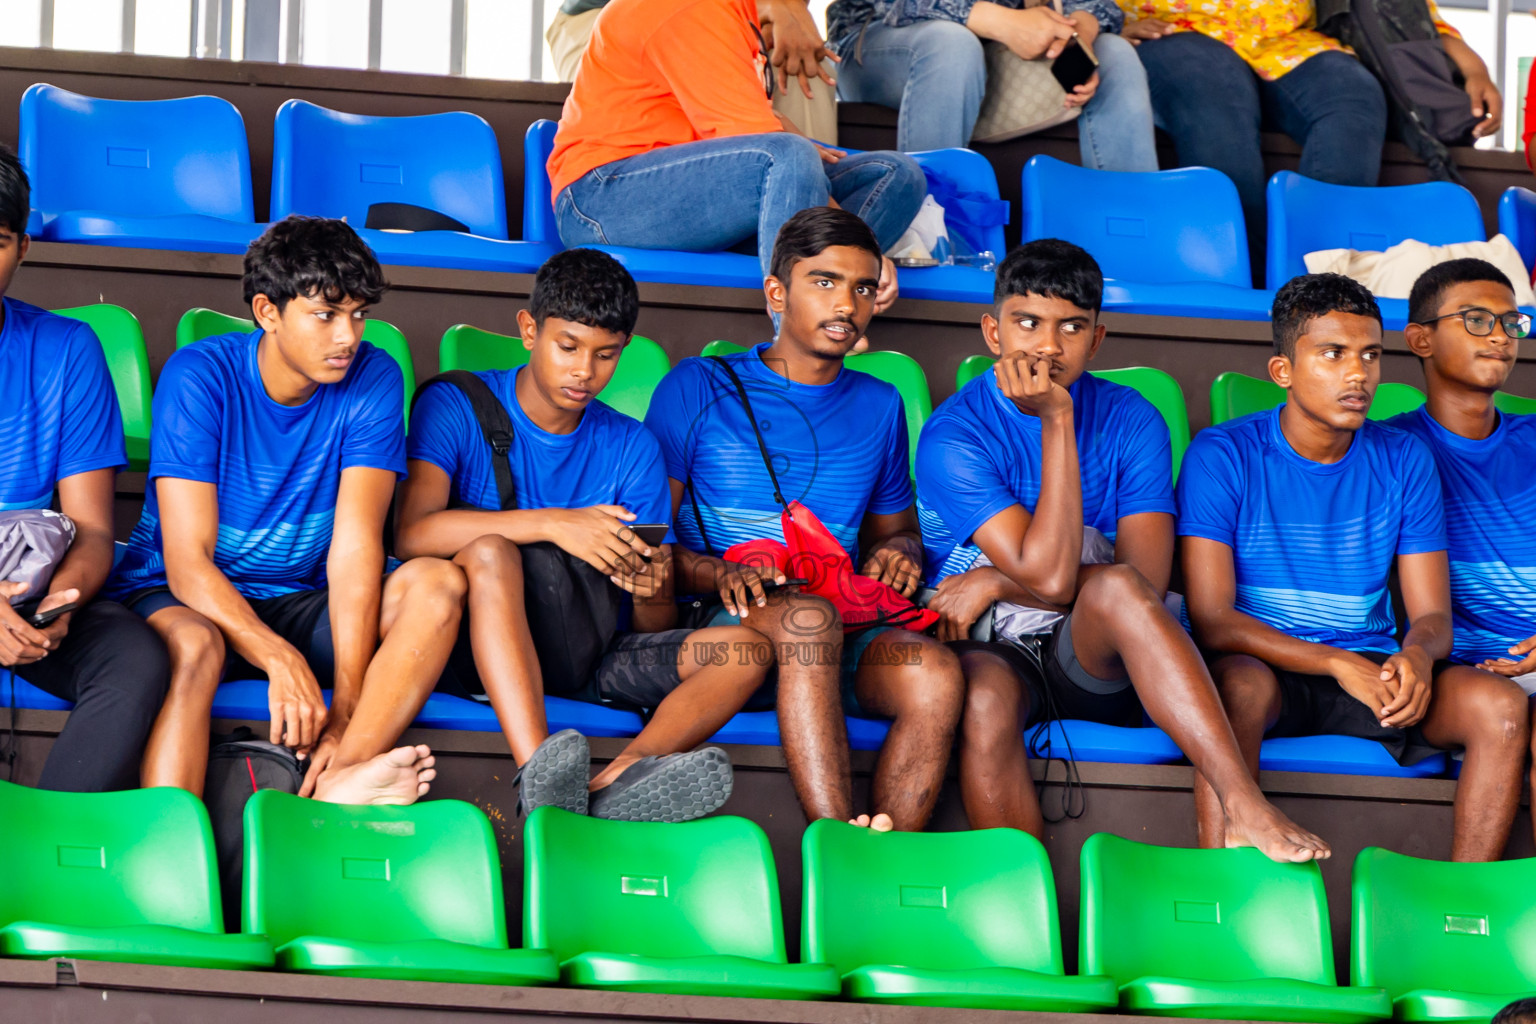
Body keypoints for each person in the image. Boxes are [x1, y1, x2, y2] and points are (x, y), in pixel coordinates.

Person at [915, 239, 1329, 860]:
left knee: (1116, 588)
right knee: (984, 698)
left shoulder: (1133, 419)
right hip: (994, 650)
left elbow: (1143, 579)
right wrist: (1057, 422)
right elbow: (1052, 581)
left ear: (1098, 340)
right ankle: (1028, 909)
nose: (1048, 347)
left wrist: (1001, 579)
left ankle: (1242, 803)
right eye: (1027, 323)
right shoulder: (954, 435)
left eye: (1071, 328)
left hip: (1102, 656)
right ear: (991, 330)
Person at [106, 217, 462, 806]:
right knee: (196, 647)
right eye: (325, 316)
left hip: (299, 595)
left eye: (358, 314)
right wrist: (279, 658)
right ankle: (167, 845)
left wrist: (345, 706)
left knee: (439, 583)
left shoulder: (373, 375)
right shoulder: (201, 377)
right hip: (183, 594)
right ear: (268, 312)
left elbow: (354, 552)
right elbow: (187, 563)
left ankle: (341, 776)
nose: (347, 336)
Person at [395, 248, 760, 822]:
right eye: (568, 347)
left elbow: (652, 626)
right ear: (528, 330)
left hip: (586, 652)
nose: (584, 371)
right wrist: (554, 523)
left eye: (606, 354)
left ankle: (614, 786)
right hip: (471, 649)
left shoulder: (633, 448)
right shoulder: (456, 403)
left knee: (745, 649)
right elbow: (410, 535)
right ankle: (540, 773)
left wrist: (651, 586)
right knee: (489, 551)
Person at [1180, 272, 1527, 862]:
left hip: (1373, 671)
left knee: (1501, 706)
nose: (1358, 374)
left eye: (1370, 355)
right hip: (1267, 663)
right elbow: (1213, 619)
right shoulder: (1223, 454)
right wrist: (1338, 663)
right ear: (1283, 371)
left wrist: (1416, 655)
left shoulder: (1404, 458)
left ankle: (1470, 903)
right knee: (1235, 687)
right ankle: (1225, 883)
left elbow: (1433, 614)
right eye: (1333, 354)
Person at [645, 206, 966, 832]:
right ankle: (836, 841)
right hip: (729, 626)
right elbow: (650, 545)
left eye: (863, 287)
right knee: (805, 620)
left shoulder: (880, 405)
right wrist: (716, 575)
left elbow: (893, 531)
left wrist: (901, 551)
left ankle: (886, 853)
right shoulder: (698, 386)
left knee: (935, 674)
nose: (846, 303)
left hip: (839, 624)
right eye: (824, 282)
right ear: (775, 291)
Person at [0, 145, 170, 792]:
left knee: (136, 659)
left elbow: (92, 529)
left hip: (30, 586)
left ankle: (44, 853)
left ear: (23, 248)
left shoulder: (65, 349)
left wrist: (64, 599)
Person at [548, 0, 926, 290]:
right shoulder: (694, 8)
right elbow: (764, 147)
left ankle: (817, 284)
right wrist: (859, 250)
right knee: (789, 156)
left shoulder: (743, 17)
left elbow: (745, 129)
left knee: (897, 174)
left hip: (698, 199)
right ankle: (799, 325)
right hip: (602, 199)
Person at [1120, 0, 1498, 233]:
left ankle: (1317, 280)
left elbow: (1402, 12)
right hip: (1173, 30)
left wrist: (1471, 64)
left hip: (1288, 41)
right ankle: (1239, 274)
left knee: (1354, 98)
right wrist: (1109, 21)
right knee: (1217, 101)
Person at [1392, 259, 1536, 826]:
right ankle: (1470, 906)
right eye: (1477, 319)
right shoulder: (1390, 449)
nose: (1501, 336)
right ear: (1420, 338)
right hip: (1453, 673)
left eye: (1511, 321)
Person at [826, 0, 1159, 172]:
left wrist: (1077, 34)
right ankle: (926, 227)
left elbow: (1099, 7)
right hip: (876, 44)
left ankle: (1136, 236)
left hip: (992, 52)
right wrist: (999, 21)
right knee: (951, 43)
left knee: (1115, 53)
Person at [547, 0, 840, 143]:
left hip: (723, 14)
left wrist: (790, 9)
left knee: (801, 63)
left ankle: (813, 230)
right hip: (612, 15)